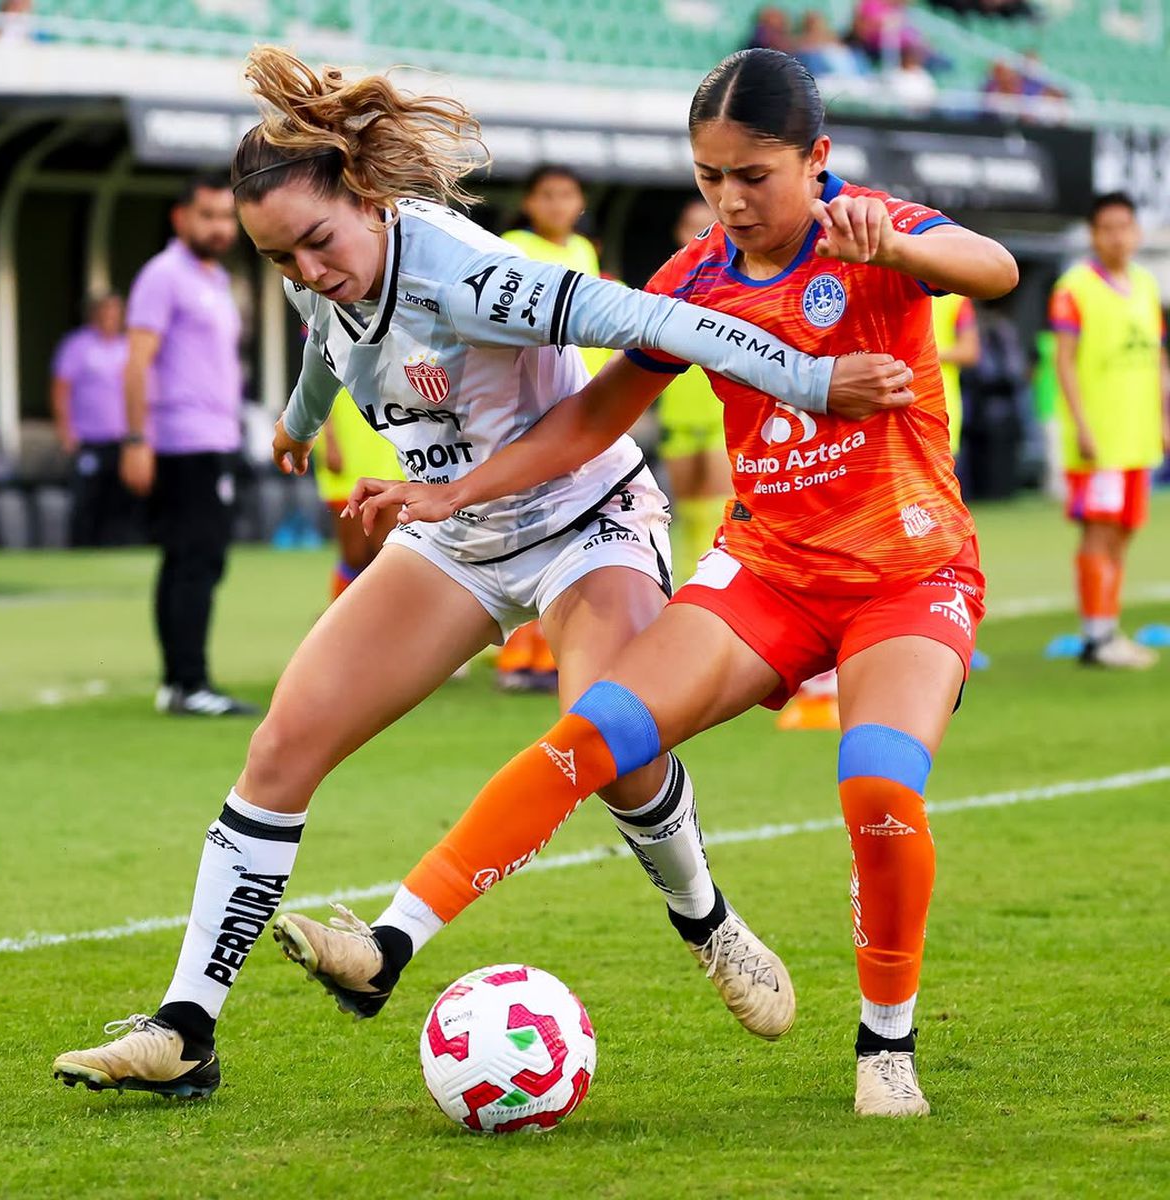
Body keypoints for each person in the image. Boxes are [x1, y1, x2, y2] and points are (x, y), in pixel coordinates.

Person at [51, 46, 916, 1101]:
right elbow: (328, 339)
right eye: (281, 259)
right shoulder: (317, 270)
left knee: (614, 746)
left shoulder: (467, 274)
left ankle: (707, 921)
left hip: (586, 521)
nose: (307, 272)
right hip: (452, 533)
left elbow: (656, 320)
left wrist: (813, 379)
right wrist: (298, 425)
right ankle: (186, 1028)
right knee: (280, 746)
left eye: (318, 243)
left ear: (369, 199)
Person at [348, 49, 1018, 1117]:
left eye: (754, 175)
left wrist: (897, 244)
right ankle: (388, 944)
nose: (731, 201)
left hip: (907, 573)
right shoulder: (696, 277)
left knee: (879, 788)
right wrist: (453, 492)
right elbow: (593, 416)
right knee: (594, 736)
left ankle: (886, 1045)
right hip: (768, 575)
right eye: (710, 177)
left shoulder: (873, 228)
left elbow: (995, 270)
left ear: (817, 158)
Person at [120, 175, 258, 717]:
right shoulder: (163, 275)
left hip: (216, 438)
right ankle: (189, 683)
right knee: (193, 560)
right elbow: (137, 362)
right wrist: (136, 439)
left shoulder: (216, 279)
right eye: (208, 216)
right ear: (180, 218)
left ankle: (180, 681)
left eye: (227, 217)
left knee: (198, 559)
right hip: (181, 442)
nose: (220, 228)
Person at [496, 164, 609, 690]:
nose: (558, 204)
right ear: (529, 202)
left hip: (578, 405)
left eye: (567, 194)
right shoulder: (513, 247)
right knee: (525, 528)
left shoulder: (583, 251)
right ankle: (517, 657)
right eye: (547, 195)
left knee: (568, 528)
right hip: (528, 405)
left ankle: (549, 653)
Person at [1049, 192, 1169, 669]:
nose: (1118, 237)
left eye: (1125, 227)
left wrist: (1162, 420)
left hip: (1138, 437)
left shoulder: (1145, 284)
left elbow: (1157, 358)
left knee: (1123, 534)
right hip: (1099, 439)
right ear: (1093, 234)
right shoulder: (1074, 288)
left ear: (1137, 232)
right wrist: (1081, 425)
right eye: (1108, 228)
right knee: (1099, 533)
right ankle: (1096, 638)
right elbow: (1063, 362)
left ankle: (1108, 628)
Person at [656, 197, 731, 576]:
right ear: (679, 232)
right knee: (684, 515)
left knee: (716, 514)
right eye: (692, 226)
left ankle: (710, 588)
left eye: (709, 225)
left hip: (723, 418)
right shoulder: (664, 288)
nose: (700, 234)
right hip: (678, 418)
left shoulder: (737, 284)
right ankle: (682, 588)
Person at [50, 293, 142, 547]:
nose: (110, 318)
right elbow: (60, 390)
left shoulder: (127, 347)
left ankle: (115, 548)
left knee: (121, 502)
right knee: (86, 500)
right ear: (94, 315)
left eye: (115, 313)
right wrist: (65, 431)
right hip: (88, 440)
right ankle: (81, 549)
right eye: (106, 312)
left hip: (122, 440)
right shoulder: (77, 346)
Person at [313, 388, 402, 601]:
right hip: (346, 456)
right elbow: (317, 390)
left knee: (386, 553)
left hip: (388, 453)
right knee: (354, 556)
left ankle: (381, 615)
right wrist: (329, 438)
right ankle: (340, 614)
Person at [930, 291, 979, 456]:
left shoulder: (955, 297)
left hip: (941, 408)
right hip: (893, 407)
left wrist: (921, 353)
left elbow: (969, 351)